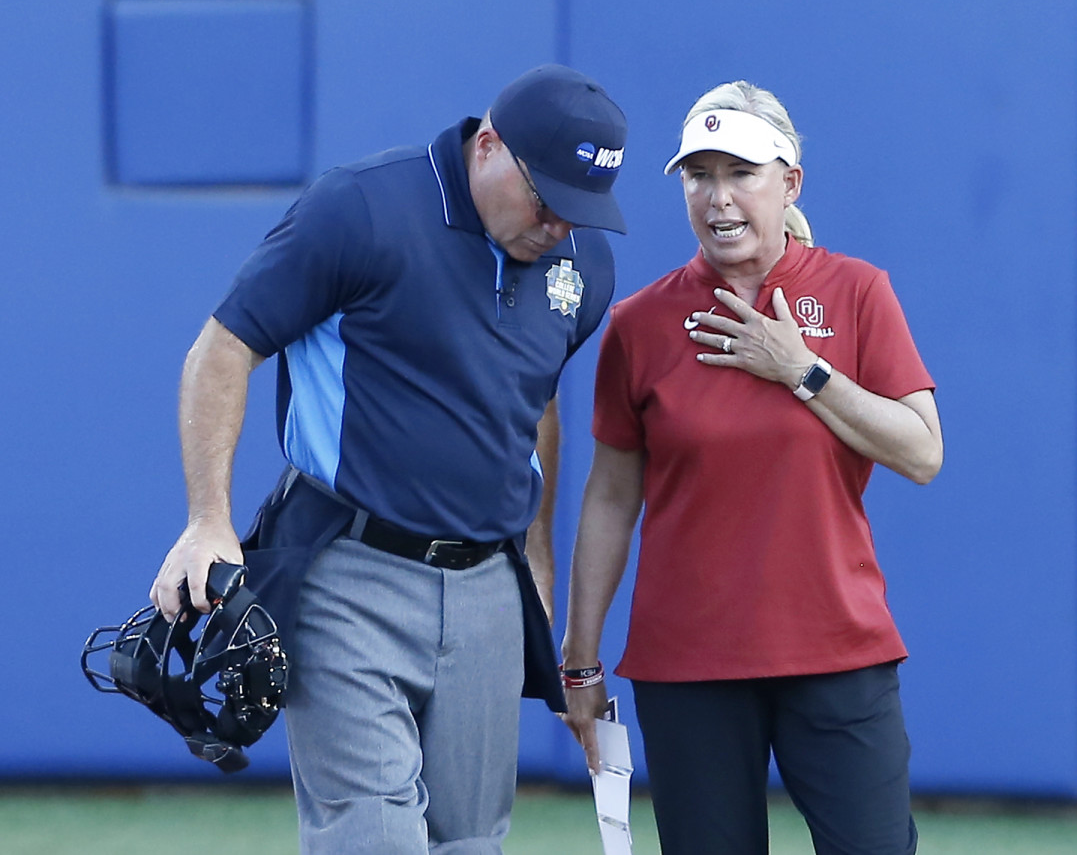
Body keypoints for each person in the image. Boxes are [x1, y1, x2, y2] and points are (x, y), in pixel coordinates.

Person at [148, 63, 628, 854]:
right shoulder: (363, 208)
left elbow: (532, 406)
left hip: (486, 590)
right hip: (350, 572)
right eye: (545, 199)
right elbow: (222, 350)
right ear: (490, 147)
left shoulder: (583, 265)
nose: (557, 226)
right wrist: (208, 521)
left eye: (579, 210)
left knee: (470, 842)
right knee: (369, 834)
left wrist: (537, 568)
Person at [560, 81, 942, 855]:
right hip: (688, 668)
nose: (719, 198)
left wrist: (802, 369)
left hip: (839, 653)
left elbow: (922, 451)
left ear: (789, 182)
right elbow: (609, 499)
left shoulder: (858, 293)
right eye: (699, 175)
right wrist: (580, 661)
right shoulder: (639, 325)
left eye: (741, 173)